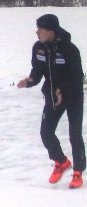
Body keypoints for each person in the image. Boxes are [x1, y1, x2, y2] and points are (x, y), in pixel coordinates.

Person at [17, 13, 84, 189]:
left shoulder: (69, 49)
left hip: (73, 96)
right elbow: (38, 71)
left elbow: (78, 77)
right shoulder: (38, 48)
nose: (37, 32)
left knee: (74, 135)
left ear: (50, 31)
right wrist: (30, 81)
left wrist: (63, 91)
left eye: (40, 29)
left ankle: (78, 172)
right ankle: (61, 162)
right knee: (46, 133)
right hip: (53, 97)